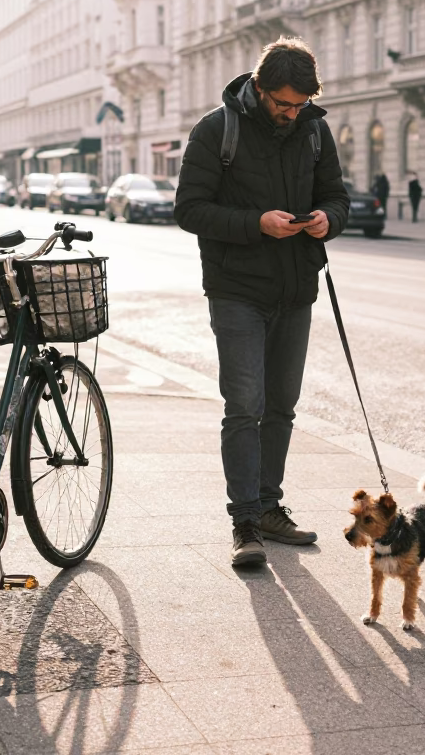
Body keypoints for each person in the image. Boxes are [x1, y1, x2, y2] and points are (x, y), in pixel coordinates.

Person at [175, 37, 350, 568]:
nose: (290, 114)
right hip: (237, 292)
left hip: (296, 290)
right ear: (259, 87)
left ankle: (271, 508)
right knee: (244, 406)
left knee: (281, 407)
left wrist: (327, 221)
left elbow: (337, 197)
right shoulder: (216, 130)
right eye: (282, 104)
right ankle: (245, 522)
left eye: (299, 105)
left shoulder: (315, 131)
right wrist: (256, 224)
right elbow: (189, 210)